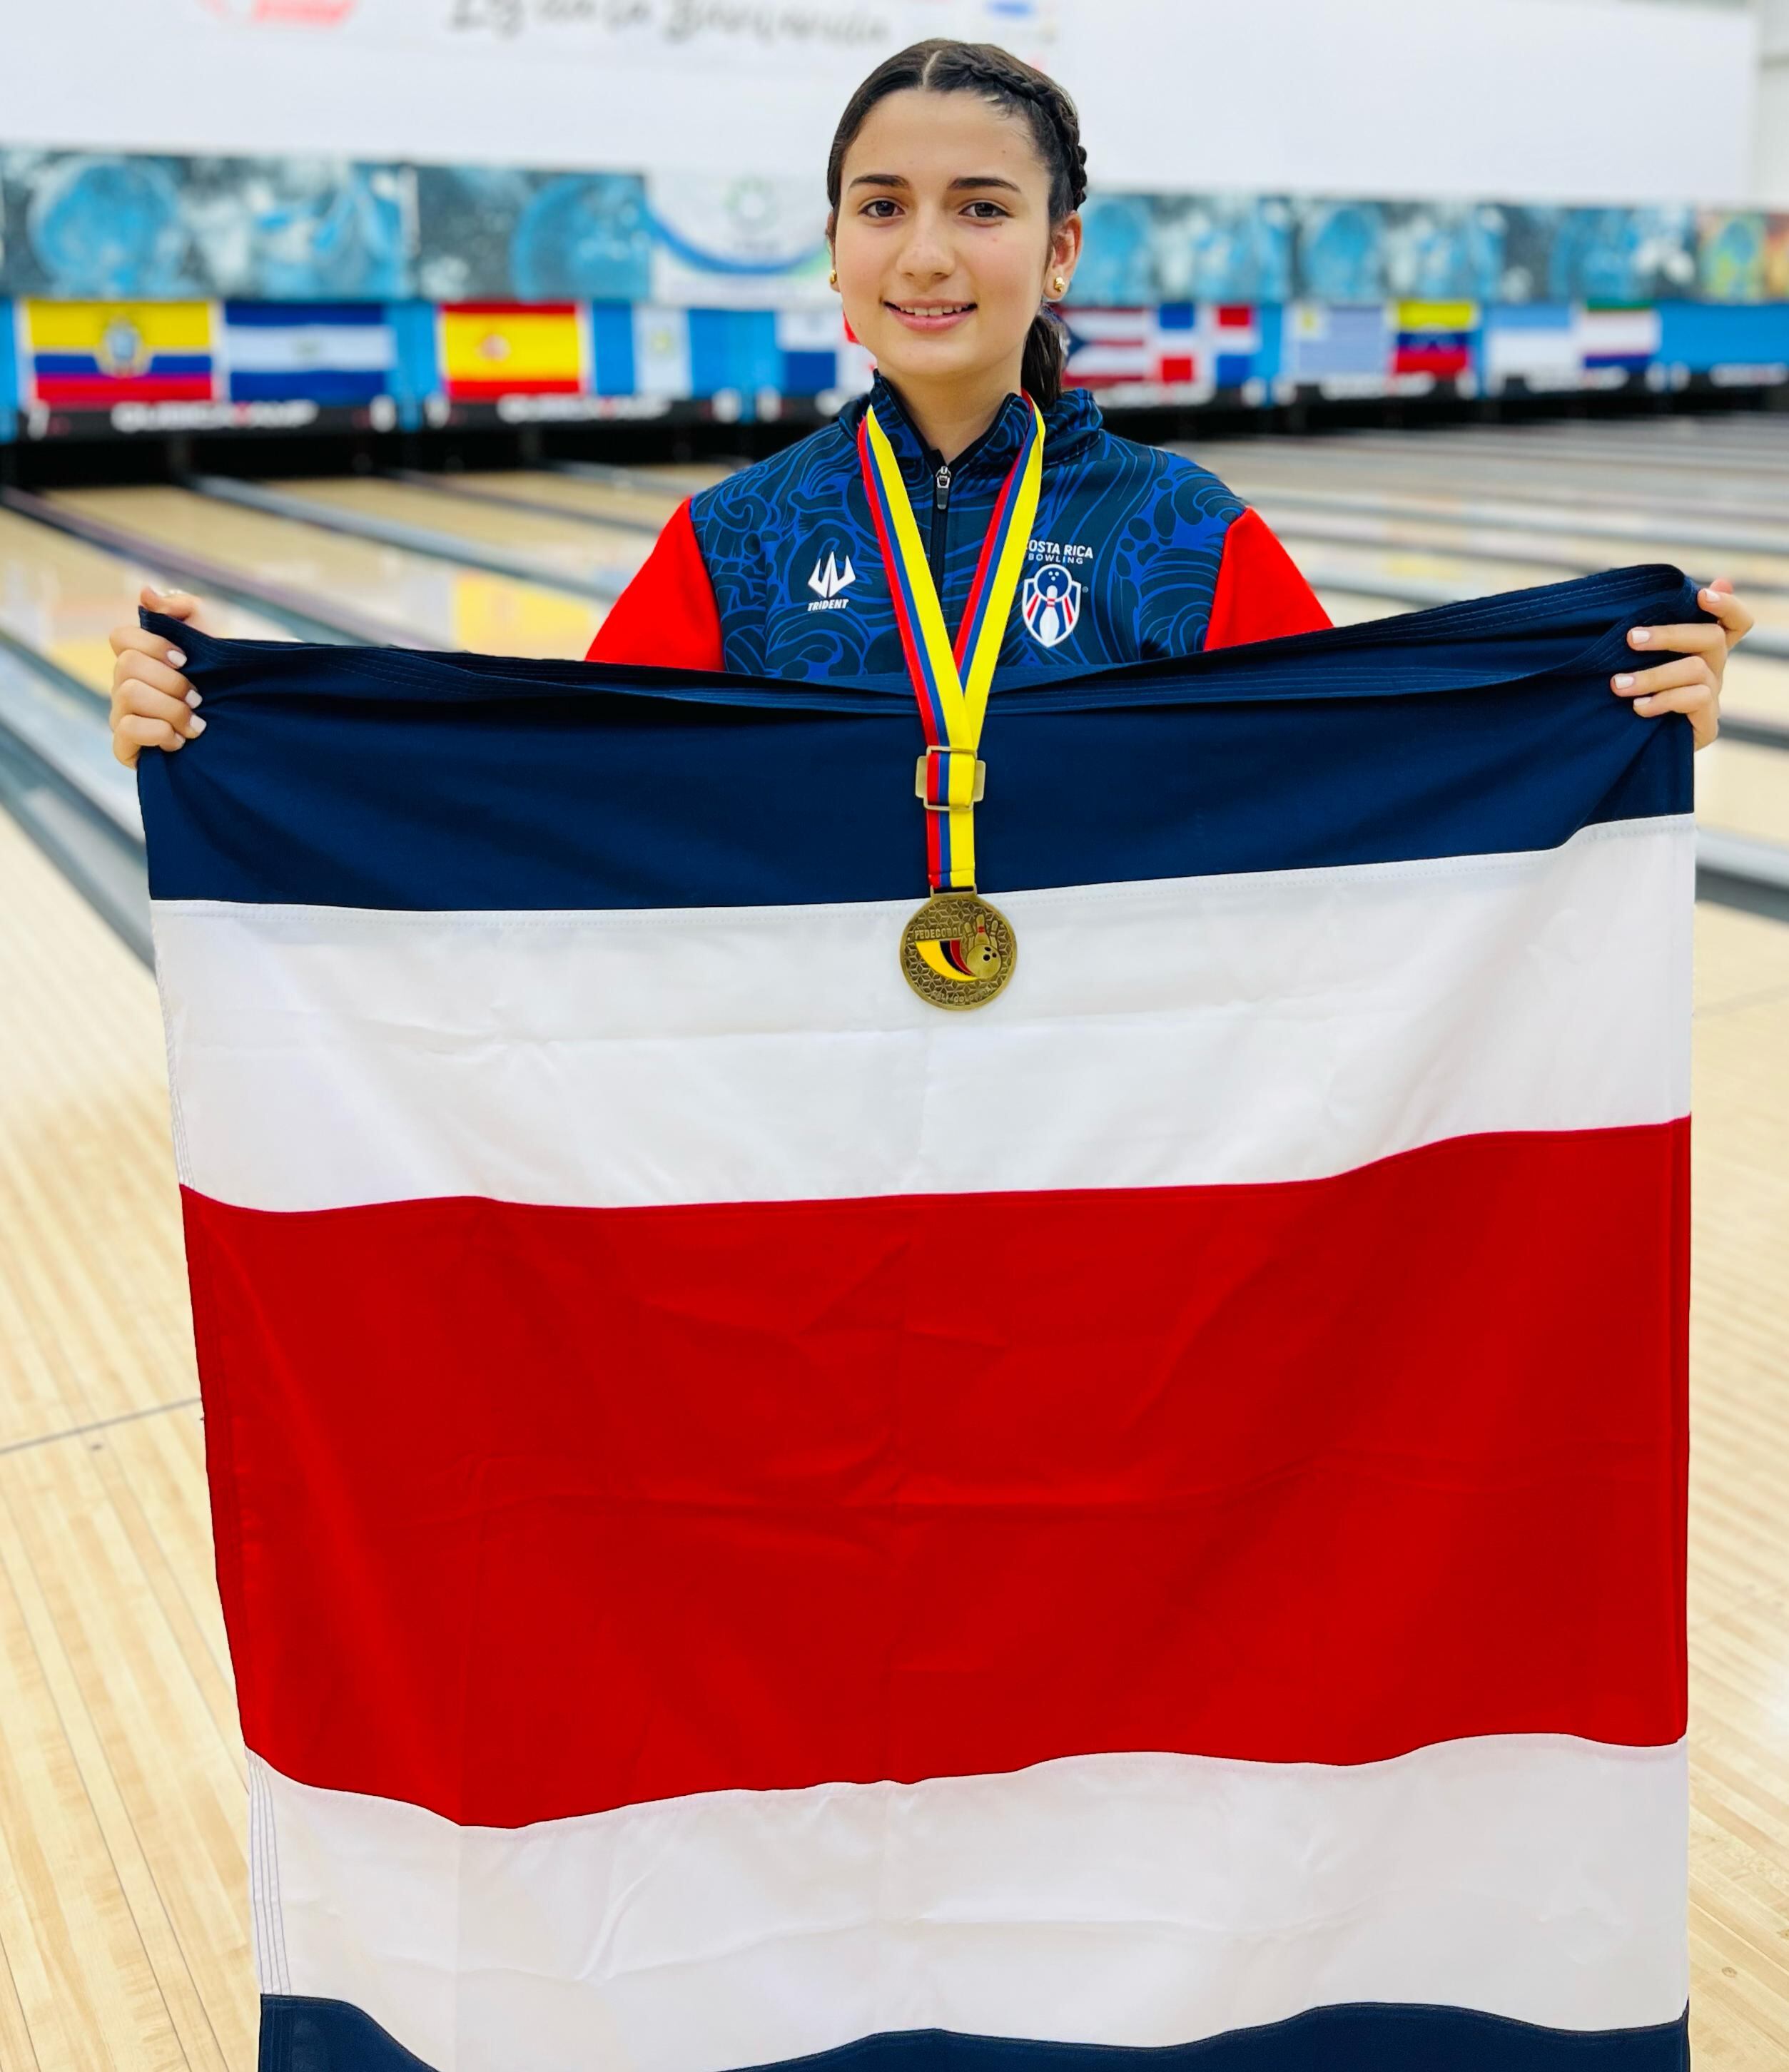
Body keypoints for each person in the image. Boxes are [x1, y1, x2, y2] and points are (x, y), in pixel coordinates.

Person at [106, 38, 1750, 762]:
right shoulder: (733, 544)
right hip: (821, 1144)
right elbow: (556, 792)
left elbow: (1364, 778)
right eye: (882, 204)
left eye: (982, 205)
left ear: (1062, 248)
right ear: (829, 248)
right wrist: (233, 722)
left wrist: (1595, 714)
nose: (929, 251)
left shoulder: (1185, 536)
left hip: (1107, 1155)